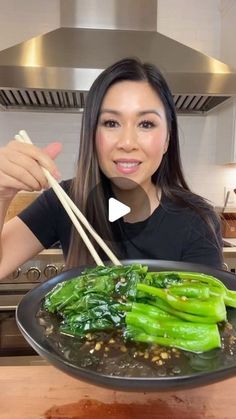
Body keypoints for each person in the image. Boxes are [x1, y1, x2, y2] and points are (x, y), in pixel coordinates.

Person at [0, 57, 223, 279]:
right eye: (111, 123)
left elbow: (207, 307)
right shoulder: (65, 201)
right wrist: (2, 194)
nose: (127, 142)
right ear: (92, 136)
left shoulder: (196, 220)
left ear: (166, 140)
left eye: (146, 124)